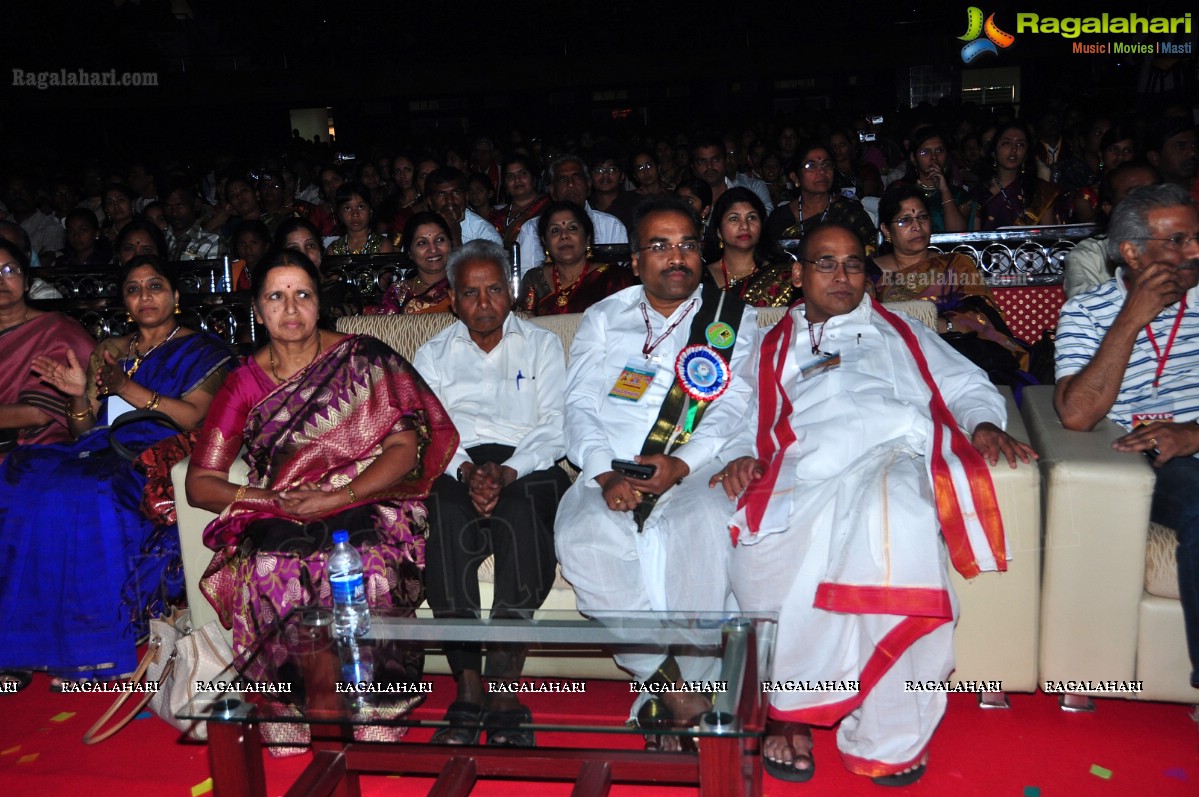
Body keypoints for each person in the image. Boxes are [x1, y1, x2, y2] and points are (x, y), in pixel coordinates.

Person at [719, 222, 1034, 785]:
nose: (842, 276)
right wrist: (742, 453)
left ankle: (888, 731)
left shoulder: (901, 332)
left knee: (895, 524)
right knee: (757, 560)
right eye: (825, 263)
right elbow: (739, 416)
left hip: (890, 459)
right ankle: (790, 712)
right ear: (797, 274)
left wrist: (983, 424)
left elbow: (967, 385)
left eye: (854, 264)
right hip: (802, 469)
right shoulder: (771, 345)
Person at [185, 249, 457, 680]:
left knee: (365, 561)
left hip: (367, 495)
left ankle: (372, 706)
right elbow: (200, 483)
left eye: (303, 294)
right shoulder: (241, 384)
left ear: (318, 304)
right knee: (272, 564)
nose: (290, 308)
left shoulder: (363, 358)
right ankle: (296, 709)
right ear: (257, 311)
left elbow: (405, 447)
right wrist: (272, 500)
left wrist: (338, 495)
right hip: (284, 508)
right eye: (275, 297)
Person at [554, 197, 759, 750]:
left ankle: (675, 694)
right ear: (637, 261)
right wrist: (601, 474)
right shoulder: (603, 317)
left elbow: (738, 405)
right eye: (660, 246)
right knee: (583, 538)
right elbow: (578, 408)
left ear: (703, 252)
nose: (676, 257)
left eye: (687, 245)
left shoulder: (733, 319)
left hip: (696, 467)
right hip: (610, 469)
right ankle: (678, 688)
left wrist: (682, 464)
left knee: (704, 528)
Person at [0, 255, 232, 688]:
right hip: (101, 448)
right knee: (21, 474)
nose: (144, 296)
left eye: (155, 286)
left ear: (176, 296)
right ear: (124, 300)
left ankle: (91, 646)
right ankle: (21, 642)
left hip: (159, 455)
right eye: (133, 288)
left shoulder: (203, 350)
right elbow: (85, 428)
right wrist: (75, 396)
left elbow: (192, 417)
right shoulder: (111, 350)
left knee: (91, 490)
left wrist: (127, 387)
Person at [415, 241, 570, 747]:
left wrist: (507, 472)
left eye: (494, 289)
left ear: (512, 292)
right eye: (470, 293)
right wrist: (466, 472)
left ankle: (504, 685)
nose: (484, 303)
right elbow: (432, 428)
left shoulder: (541, 345)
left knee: (524, 509)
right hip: (456, 461)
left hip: (527, 462)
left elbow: (554, 428)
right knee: (443, 511)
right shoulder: (432, 352)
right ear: (454, 300)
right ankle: (467, 687)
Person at [1054, 183, 1199, 692]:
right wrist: (1131, 319)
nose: (1195, 251)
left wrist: (1193, 433)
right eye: (1178, 240)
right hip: (1151, 466)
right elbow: (1076, 414)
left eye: (1197, 238)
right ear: (1132, 252)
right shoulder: (1087, 312)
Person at [870, 185, 1028, 379]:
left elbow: (984, 318)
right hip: (896, 360)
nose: (917, 227)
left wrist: (943, 324)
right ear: (886, 230)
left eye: (923, 217)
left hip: (961, 354)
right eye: (905, 221)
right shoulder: (868, 274)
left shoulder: (956, 265)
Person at [0, 239, 95, 459]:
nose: (1, 280)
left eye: (9, 270)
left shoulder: (57, 330)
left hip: (40, 451)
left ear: (26, 282)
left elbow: (38, 414)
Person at [515, 155, 629, 275]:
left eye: (577, 177)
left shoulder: (611, 226)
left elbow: (621, 277)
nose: (570, 184)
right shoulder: (531, 228)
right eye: (563, 179)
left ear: (588, 184)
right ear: (552, 190)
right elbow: (525, 278)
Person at [518, 200, 636, 316]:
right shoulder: (534, 279)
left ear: (587, 237)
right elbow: (524, 326)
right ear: (545, 241)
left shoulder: (614, 278)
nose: (564, 235)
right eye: (555, 230)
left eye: (572, 228)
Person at [1063, 160, 1159, 299]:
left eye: (1155, 192)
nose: (1149, 201)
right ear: (1109, 207)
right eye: (1136, 194)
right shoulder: (1089, 255)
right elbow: (1085, 307)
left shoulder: (1186, 246)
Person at [766, 143, 877, 255]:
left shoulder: (849, 211)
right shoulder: (780, 218)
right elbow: (770, 258)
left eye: (827, 165)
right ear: (795, 177)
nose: (822, 171)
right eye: (811, 166)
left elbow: (871, 250)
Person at [703, 186, 795, 306]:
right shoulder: (700, 278)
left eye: (752, 217)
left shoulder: (783, 277)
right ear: (719, 231)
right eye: (734, 218)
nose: (745, 226)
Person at [273, 217, 364, 325]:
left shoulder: (342, 291)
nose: (304, 254)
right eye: (294, 249)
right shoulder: (275, 295)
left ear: (320, 250)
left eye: (310, 245)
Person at [974, 120, 1061, 230]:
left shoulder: (1040, 191)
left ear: (1026, 154)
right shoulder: (980, 193)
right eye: (1006, 143)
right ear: (994, 151)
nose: (1014, 149)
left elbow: (1049, 238)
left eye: (1020, 144)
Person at [376, 212, 456, 315]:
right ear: (410, 253)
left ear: (451, 243)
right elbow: (383, 329)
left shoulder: (463, 286)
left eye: (440, 240)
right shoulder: (398, 293)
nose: (433, 249)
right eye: (422, 243)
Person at [901, 127, 971, 232]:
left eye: (939, 150)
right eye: (925, 152)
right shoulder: (902, 192)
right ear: (913, 158)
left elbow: (956, 233)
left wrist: (944, 190)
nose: (934, 157)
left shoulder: (959, 195)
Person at [1071, 124, 1138, 224]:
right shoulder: (1086, 195)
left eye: (1127, 150)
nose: (1120, 156)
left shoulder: (1141, 190)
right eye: (1114, 149)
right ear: (1101, 154)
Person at [424, 167, 503, 247]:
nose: (449, 200)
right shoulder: (422, 231)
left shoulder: (485, 236)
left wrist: (455, 238)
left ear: (466, 196)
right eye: (441, 194)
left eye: (456, 192)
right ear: (430, 201)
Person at [326, 181, 395, 255]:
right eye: (347, 208)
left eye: (360, 207)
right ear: (340, 214)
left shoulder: (383, 246)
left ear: (370, 210)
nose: (355, 214)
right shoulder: (333, 250)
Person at [163, 178, 223, 261]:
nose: (174, 213)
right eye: (168, 206)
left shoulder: (211, 242)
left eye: (180, 206)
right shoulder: (158, 238)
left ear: (196, 204)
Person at [496, 155, 548, 249]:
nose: (517, 179)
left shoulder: (548, 207)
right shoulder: (497, 216)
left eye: (523, 173)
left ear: (533, 178)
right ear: (505, 185)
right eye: (510, 176)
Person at [229, 219, 272, 291]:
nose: (248, 248)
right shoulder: (232, 270)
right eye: (242, 244)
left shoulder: (276, 269)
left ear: (266, 246)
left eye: (254, 243)